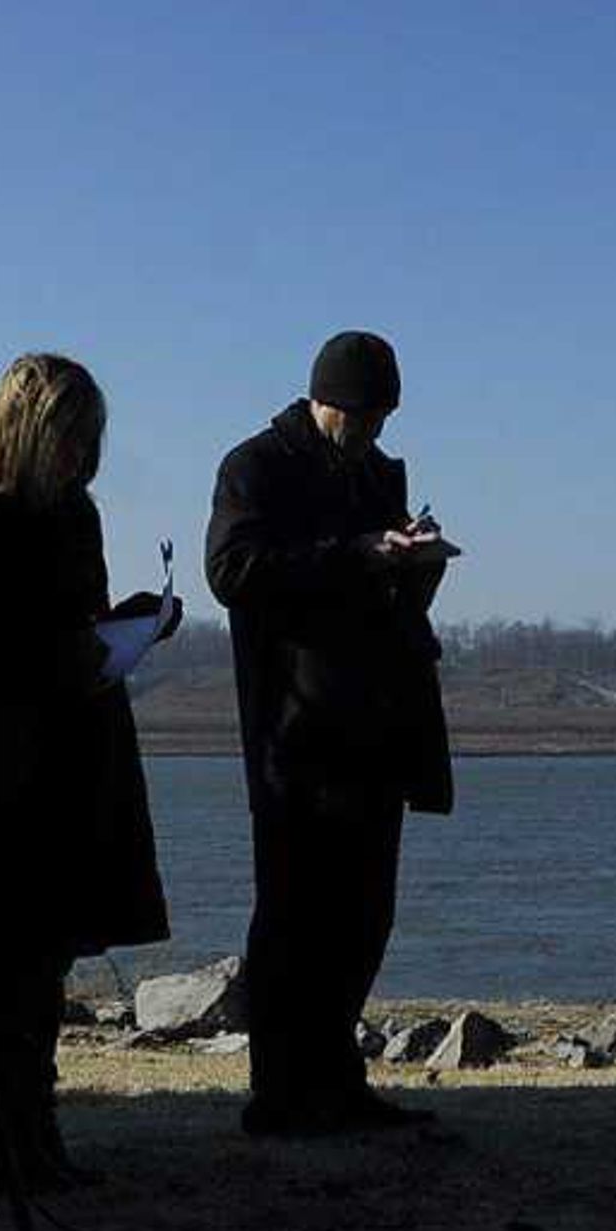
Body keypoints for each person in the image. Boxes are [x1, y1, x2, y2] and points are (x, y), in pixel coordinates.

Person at [0, 354, 173, 1191]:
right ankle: (13, 1123)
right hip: (13, 747)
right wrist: (55, 647)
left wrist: (130, 625)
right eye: (72, 439)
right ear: (33, 431)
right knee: (13, 941)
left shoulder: (73, 512)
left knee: (51, 943)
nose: (81, 458)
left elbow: (75, 617)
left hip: (81, 735)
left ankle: (34, 1121)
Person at [207, 330, 457, 1140]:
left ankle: (338, 1080)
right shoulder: (255, 467)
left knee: (362, 915)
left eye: (385, 419)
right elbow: (234, 572)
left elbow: (382, 592)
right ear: (332, 403)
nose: (377, 435)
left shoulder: (379, 472)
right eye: (368, 417)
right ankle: (279, 1093)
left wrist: (412, 561)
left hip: (377, 723)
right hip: (298, 731)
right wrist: (356, 553)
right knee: (291, 917)